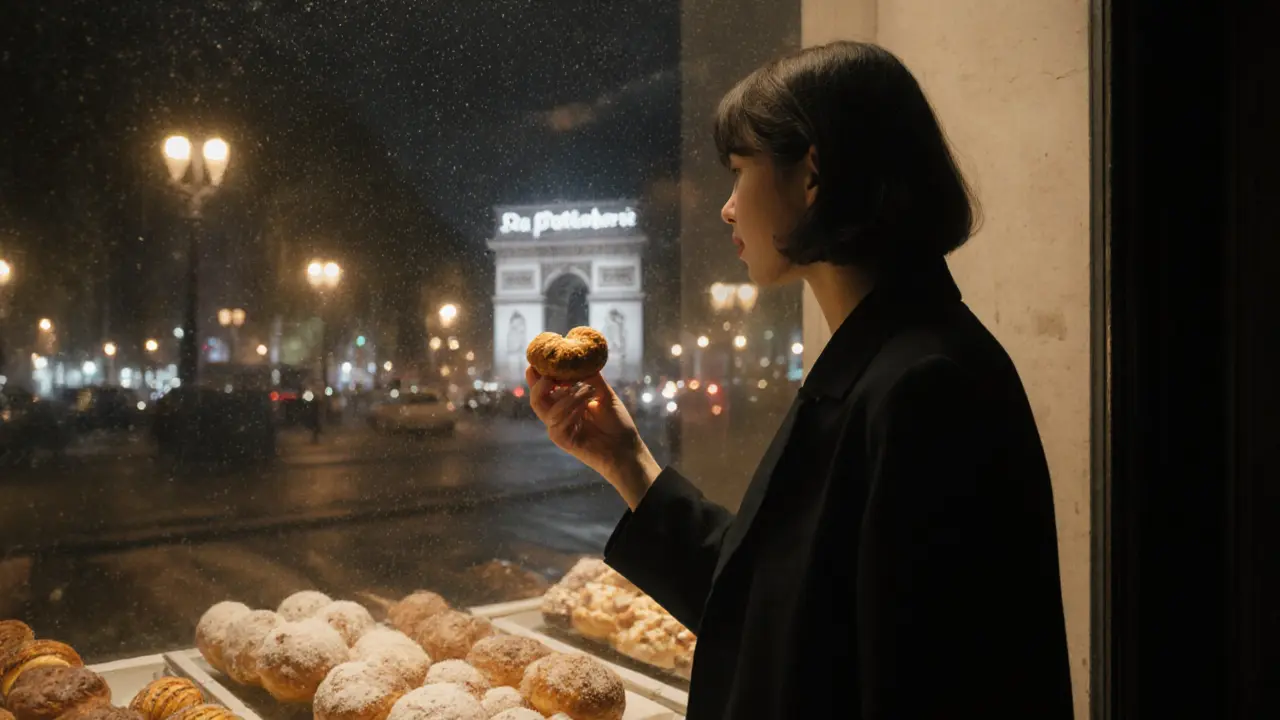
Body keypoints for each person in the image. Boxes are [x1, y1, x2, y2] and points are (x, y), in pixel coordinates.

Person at [526, 41, 1073, 719]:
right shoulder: (896, 363)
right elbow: (774, 610)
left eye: (739, 171)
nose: (727, 208)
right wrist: (625, 459)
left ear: (812, 174)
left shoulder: (926, 392)